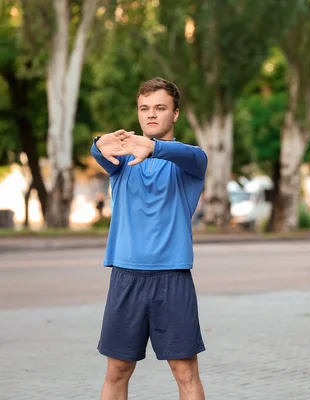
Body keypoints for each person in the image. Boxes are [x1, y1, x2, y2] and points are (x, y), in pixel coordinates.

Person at [91, 77, 209, 400]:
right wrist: (99, 143)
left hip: (172, 279)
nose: (151, 115)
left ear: (176, 114)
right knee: (116, 371)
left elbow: (195, 158)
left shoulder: (189, 162)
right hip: (125, 277)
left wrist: (154, 148)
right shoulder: (122, 164)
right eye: (144, 108)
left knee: (185, 372)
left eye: (160, 108)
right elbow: (100, 150)